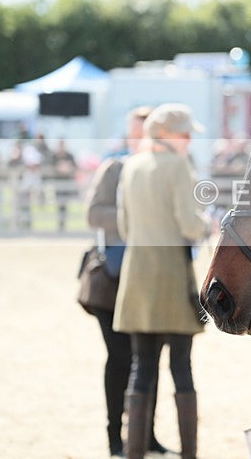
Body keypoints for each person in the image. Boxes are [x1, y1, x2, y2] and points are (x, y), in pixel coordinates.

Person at [114, 103, 209, 459]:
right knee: (181, 368)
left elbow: (124, 227)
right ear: (167, 134)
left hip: (136, 276)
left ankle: (134, 451)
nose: (188, 140)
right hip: (171, 276)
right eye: (184, 133)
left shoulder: (132, 165)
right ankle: (189, 454)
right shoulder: (177, 166)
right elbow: (189, 224)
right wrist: (207, 225)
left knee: (142, 367)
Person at [83, 106, 168, 457]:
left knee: (148, 360)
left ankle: (146, 434)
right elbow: (93, 214)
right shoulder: (114, 169)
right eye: (138, 131)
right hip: (114, 281)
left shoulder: (165, 172)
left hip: (151, 278)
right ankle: (115, 437)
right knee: (119, 358)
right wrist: (133, 216)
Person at [51, 138, 77, 232]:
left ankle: (64, 225)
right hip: (58, 183)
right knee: (59, 204)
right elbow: (50, 167)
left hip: (67, 184)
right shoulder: (54, 156)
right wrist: (59, 168)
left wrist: (67, 167)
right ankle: (60, 225)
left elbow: (75, 166)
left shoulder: (69, 156)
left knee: (65, 204)